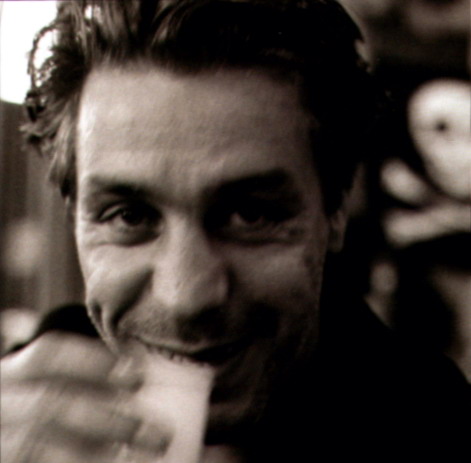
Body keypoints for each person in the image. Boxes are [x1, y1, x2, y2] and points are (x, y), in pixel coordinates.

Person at [1, 1, 469, 462]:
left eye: (250, 215)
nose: (185, 299)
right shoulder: (29, 409)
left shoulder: (439, 432)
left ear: (335, 208)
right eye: (130, 216)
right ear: (75, 216)